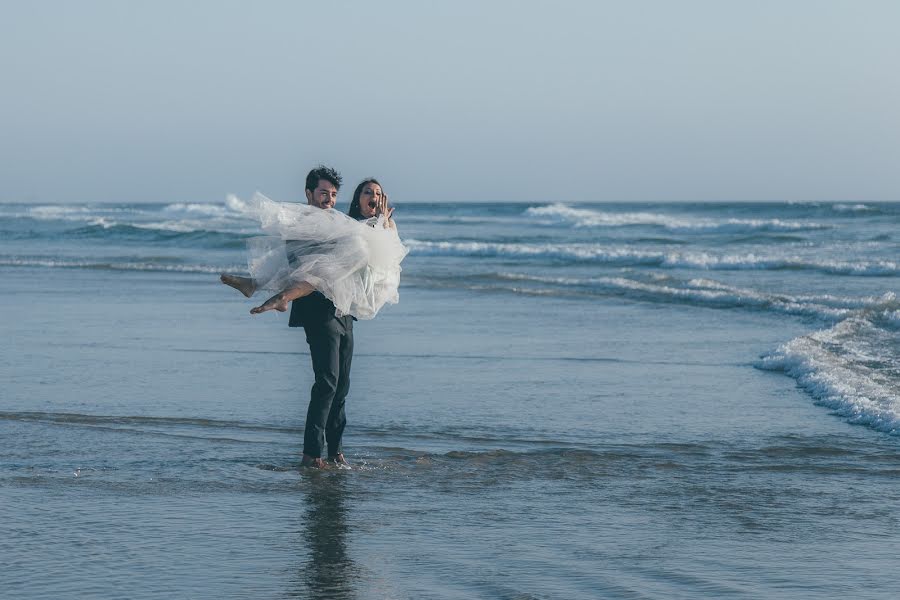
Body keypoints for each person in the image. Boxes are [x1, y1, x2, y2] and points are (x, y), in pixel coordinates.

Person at [221, 166, 406, 469]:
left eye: (333, 194)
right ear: (308, 194)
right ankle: (311, 454)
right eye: (323, 193)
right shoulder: (306, 225)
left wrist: (382, 222)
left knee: (341, 386)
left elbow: (387, 251)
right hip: (316, 310)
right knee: (327, 382)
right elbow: (294, 262)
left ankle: (335, 451)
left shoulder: (348, 225)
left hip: (342, 311)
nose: (328, 199)